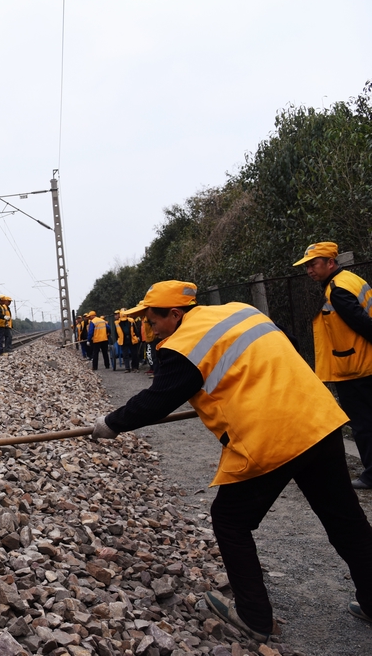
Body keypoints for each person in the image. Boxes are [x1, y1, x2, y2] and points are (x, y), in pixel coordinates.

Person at [92, 280, 372, 640]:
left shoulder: (181, 346)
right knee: (345, 518)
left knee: (229, 519)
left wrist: (110, 424)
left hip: (273, 438)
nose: (151, 325)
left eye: (154, 318)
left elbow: (156, 401)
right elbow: (275, 354)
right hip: (318, 419)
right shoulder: (241, 311)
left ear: (175, 314)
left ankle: (254, 617)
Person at [294, 242, 372, 490]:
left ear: (330, 263)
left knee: (363, 424)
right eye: (307, 266)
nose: (309, 271)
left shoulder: (337, 290)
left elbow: (363, 325)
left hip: (354, 369)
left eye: (313, 264)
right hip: (362, 365)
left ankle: (371, 475)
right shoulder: (351, 280)